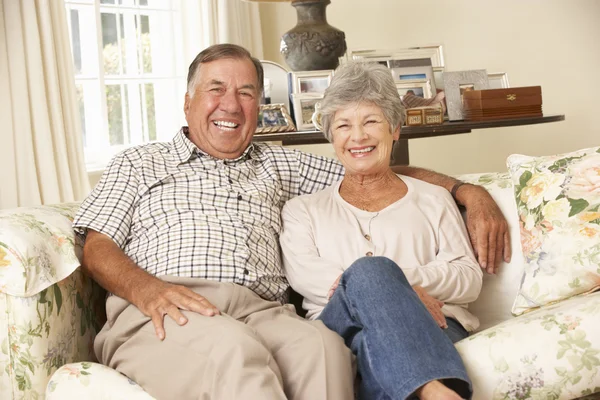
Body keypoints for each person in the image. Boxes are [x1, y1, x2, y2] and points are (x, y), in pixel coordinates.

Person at [73, 43, 509, 399]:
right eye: (216, 89)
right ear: (188, 101)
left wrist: (465, 190)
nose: (231, 104)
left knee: (322, 348)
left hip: (262, 311)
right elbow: (97, 246)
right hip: (170, 305)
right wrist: (149, 291)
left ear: (259, 104)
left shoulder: (280, 164)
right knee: (234, 350)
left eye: (246, 92)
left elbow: (367, 164)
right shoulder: (139, 163)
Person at [279, 62, 482, 400]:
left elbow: (468, 279)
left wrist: (393, 283)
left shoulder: (433, 199)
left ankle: (429, 391)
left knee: (369, 341)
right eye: (343, 125)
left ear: (395, 129)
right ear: (332, 136)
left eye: (371, 121)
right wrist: (393, 287)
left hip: (434, 328)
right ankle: (436, 391)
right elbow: (307, 279)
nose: (358, 136)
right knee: (369, 275)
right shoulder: (303, 211)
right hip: (339, 327)